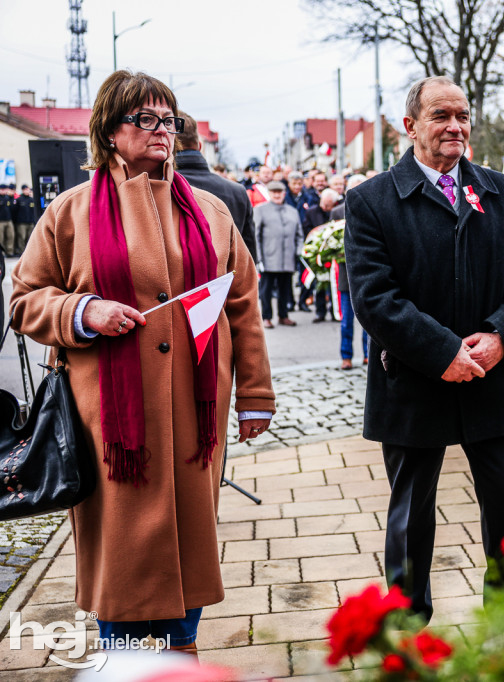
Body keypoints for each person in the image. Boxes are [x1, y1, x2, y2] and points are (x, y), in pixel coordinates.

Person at [9, 70, 274, 654]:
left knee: (189, 554)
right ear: (108, 130)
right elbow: (25, 300)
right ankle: (123, 658)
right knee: (124, 568)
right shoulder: (69, 212)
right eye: (145, 119)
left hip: (191, 414)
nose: (161, 131)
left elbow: (243, 306)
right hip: (110, 423)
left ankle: (182, 654)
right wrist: (85, 311)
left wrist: (255, 397)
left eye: (168, 120)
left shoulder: (210, 210)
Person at [345, 75, 504, 621]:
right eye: (440, 116)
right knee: (411, 514)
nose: (455, 126)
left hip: (493, 379)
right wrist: (441, 352)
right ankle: (409, 624)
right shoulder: (370, 200)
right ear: (410, 126)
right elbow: (375, 298)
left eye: (462, 115)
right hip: (412, 382)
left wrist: (502, 335)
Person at [174, 113, 258, 261]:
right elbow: (249, 256)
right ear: (200, 146)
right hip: (229, 280)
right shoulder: (237, 191)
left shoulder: (160, 188)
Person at [254, 180, 303, 328]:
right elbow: (255, 234)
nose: (277, 195)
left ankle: (283, 315)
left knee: (285, 289)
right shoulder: (260, 210)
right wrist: (258, 257)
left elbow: (299, 234)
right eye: (274, 192)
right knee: (266, 290)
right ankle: (266, 317)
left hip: (287, 257)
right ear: (269, 194)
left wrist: (298, 251)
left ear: (284, 194)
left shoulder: (292, 211)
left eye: (279, 192)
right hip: (269, 257)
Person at [332, 173, 369, 368]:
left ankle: (367, 354)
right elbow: (329, 241)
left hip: (367, 274)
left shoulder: (373, 208)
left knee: (369, 320)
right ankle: (346, 356)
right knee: (346, 321)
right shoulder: (338, 211)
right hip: (346, 275)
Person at [301, 188, 339, 322]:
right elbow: (306, 228)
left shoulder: (336, 212)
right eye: (323, 203)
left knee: (334, 284)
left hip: (334, 252)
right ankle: (320, 312)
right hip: (318, 253)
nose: (324, 207)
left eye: (328, 205)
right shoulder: (312, 211)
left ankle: (335, 312)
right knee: (320, 283)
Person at [13, 184, 36, 256]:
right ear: (23, 190)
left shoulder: (32, 200)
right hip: (21, 223)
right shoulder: (19, 200)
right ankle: (22, 252)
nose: (27, 191)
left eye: (28, 189)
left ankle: (30, 252)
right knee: (22, 238)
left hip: (30, 222)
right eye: (26, 189)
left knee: (30, 238)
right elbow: (15, 211)